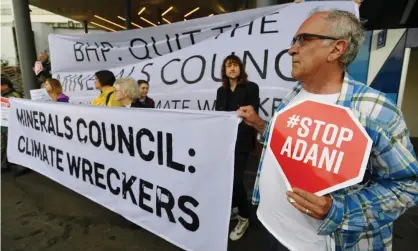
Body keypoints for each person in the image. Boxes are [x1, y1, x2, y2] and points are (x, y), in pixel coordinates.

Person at [238, 10, 418, 251]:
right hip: (271, 228)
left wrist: (338, 211)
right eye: (293, 41)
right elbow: (291, 144)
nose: (292, 49)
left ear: (336, 49)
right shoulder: (294, 94)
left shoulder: (375, 110)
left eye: (302, 40)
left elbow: (405, 187)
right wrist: (261, 125)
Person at [215, 54, 260, 241]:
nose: (232, 69)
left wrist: (234, 120)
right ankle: (235, 208)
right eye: (228, 66)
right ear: (224, 71)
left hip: (241, 141)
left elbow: (249, 114)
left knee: (236, 181)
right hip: (225, 142)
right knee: (226, 179)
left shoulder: (251, 87)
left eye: (235, 65)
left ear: (240, 68)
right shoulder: (221, 90)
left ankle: (244, 216)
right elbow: (219, 115)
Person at [1, 77, 21, 172]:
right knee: (4, 144)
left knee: (9, 144)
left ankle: (5, 165)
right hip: (4, 124)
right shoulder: (4, 95)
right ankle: (5, 164)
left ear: (5, 86)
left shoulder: (14, 95)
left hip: (10, 125)